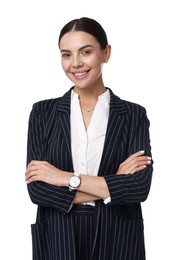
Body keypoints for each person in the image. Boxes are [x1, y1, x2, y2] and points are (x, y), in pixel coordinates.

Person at [25, 17, 153, 260]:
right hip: (57, 235)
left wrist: (64, 179)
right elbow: (38, 191)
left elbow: (138, 187)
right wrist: (115, 182)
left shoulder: (134, 114)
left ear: (106, 53)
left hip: (119, 235)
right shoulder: (43, 112)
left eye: (86, 52)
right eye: (66, 54)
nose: (76, 63)